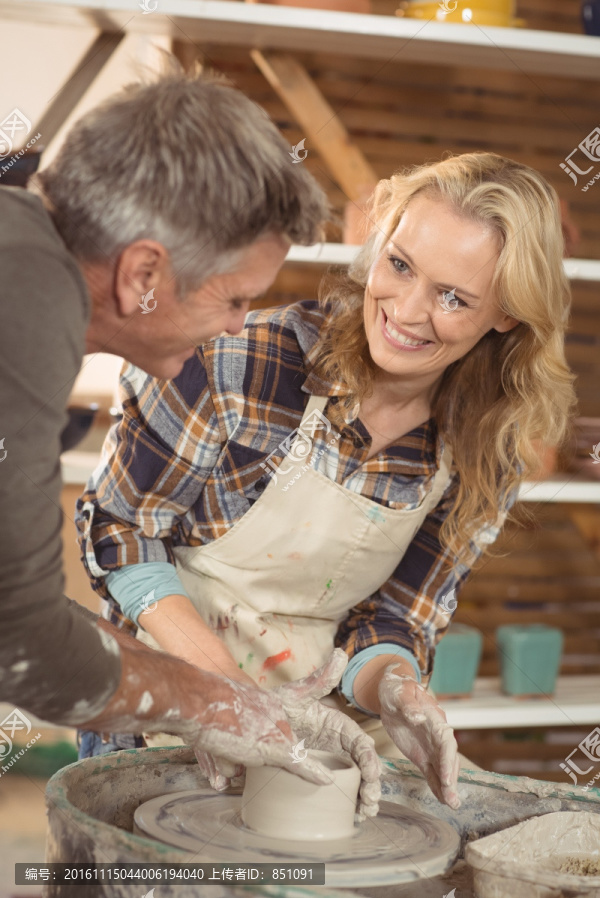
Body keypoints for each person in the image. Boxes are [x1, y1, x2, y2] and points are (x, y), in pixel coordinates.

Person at [75, 151, 576, 809]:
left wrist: (396, 688)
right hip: (168, 693)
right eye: (399, 266)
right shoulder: (238, 362)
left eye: (453, 297)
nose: (407, 310)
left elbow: (393, 617)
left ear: (507, 313)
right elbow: (121, 529)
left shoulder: (487, 448)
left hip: (318, 726)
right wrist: (224, 695)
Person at [0, 67, 384, 807]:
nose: (242, 324)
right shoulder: (24, 296)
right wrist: (221, 707)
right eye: (235, 298)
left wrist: (213, 689)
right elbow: (21, 643)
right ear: (143, 273)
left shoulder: (23, 252)